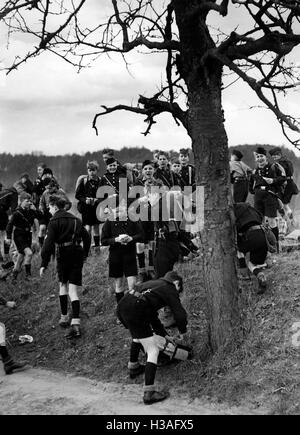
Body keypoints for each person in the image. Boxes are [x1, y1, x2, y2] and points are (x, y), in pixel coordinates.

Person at [117, 271, 188, 405]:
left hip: (123, 306)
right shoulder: (170, 288)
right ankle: (149, 393)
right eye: (179, 290)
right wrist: (183, 332)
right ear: (177, 283)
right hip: (136, 309)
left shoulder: (155, 284)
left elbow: (152, 316)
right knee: (153, 350)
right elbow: (180, 314)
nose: (177, 293)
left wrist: (165, 335)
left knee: (138, 337)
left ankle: (134, 367)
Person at [40, 195, 91, 339]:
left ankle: (63, 317)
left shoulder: (53, 221)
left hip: (63, 253)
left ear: (55, 206)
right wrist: (85, 254)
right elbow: (87, 237)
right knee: (73, 291)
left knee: (63, 285)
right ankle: (76, 324)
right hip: (77, 253)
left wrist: (44, 263)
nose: (49, 210)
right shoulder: (76, 219)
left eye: (49, 207)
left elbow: (48, 244)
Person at [101, 203, 144, 307]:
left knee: (132, 284)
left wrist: (131, 238)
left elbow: (141, 235)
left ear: (125, 211)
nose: (117, 214)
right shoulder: (109, 222)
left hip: (129, 254)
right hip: (115, 255)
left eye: (120, 211)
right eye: (115, 212)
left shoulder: (133, 221)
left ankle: (133, 308)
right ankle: (120, 308)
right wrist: (115, 239)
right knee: (119, 283)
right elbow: (103, 240)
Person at [249, 146, 286, 249]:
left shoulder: (274, 167)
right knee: (258, 220)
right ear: (256, 159)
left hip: (270, 196)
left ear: (266, 157)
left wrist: (273, 181)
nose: (259, 158)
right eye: (257, 157)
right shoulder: (255, 171)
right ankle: (263, 244)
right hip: (258, 197)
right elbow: (251, 184)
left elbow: (283, 178)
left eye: (261, 156)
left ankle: (276, 245)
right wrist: (254, 191)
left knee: (272, 221)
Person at [234, 202, 269, 293]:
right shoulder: (252, 209)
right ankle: (260, 275)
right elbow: (261, 217)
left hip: (251, 235)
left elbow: (236, 232)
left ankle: (244, 275)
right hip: (263, 236)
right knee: (254, 263)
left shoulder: (235, 213)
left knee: (239, 249)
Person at [5, 192, 41, 280]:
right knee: (29, 253)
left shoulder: (31, 211)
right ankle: (28, 276)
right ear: (21, 201)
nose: (29, 203)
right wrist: (9, 237)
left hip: (28, 235)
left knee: (20, 258)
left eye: (30, 201)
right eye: (27, 201)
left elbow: (40, 216)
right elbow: (9, 225)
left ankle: (13, 277)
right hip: (19, 236)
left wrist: (35, 209)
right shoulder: (17, 213)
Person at [131, 160, 157, 282]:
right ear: (142, 171)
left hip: (153, 216)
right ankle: (141, 270)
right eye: (146, 168)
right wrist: (139, 201)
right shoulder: (137, 183)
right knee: (140, 244)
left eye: (150, 168)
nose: (148, 171)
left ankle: (151, 268)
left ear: (154, 170)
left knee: (152, 242)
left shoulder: (157, 183)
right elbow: (130, 201)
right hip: (140, 216)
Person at [75, 160, 101, 252]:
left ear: (97, 170)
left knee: (96, 228)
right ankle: (87, 248)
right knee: (88, 229)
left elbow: (104, 195)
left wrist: (97, 200)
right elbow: (77, 195)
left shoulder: (100, 181)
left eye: (93, 170)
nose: (91, 172)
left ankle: (97, 248)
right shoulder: (84, 181)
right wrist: (85, 200)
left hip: (97, 208)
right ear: (87, 171)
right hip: (86, 208)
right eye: (90, 170)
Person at [39, 179, 72, 248]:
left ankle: (55, 247)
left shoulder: (61, 192)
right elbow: (41, 203)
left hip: (59, 213)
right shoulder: (45, 193)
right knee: (43, 229)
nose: (49, 190)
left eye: (50, 188)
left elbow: (68, 203)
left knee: (55, 232)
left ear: (55, 187)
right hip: (47, 213)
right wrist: (41, 209)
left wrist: (64, 209)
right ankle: (42, 246)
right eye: (48, 188)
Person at [269, 147, 298, 219]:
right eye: (273, 156)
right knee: (284, 204)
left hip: (286, 184)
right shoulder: (287, 161)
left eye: (276, 155)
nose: (274, 157)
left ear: (280, 154)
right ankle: (288, 219)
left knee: (282, 204)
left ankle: (288, 220)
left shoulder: (280, 164)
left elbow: (282, 175)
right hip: (290, 183)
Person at [0, 187, 18, 265]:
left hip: (2, 211)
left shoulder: (3, 193)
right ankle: (6, 255)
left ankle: (1, 257)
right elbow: (14, 209)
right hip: (1, 213)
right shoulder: (14, 193)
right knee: (6, 234)